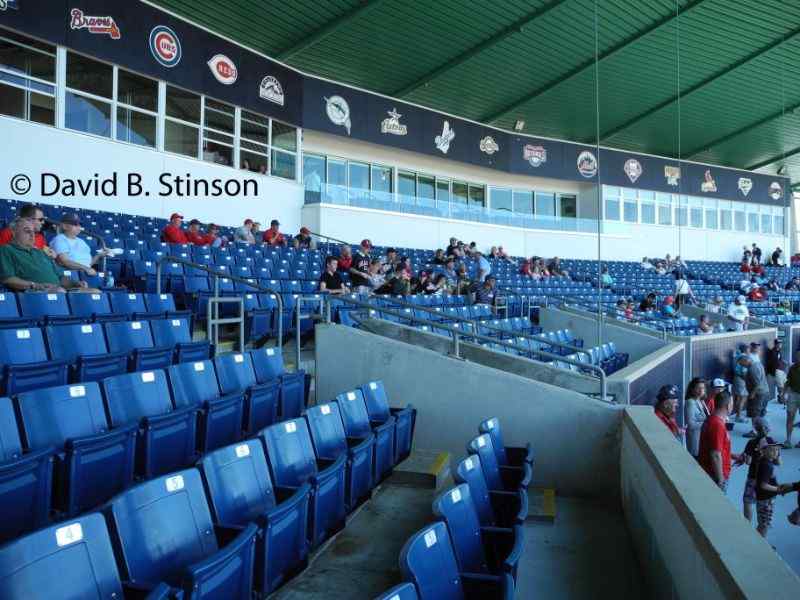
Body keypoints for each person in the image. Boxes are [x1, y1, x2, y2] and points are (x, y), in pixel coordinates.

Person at [0, 218, 96, 292]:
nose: (32, 235)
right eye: (27, 231)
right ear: (13, 232)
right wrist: (36, 285)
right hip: (32, 293)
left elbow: (60, 278)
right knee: (59, 291)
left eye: (33, 231)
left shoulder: (41, 252)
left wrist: (74, 284)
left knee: (95, 292)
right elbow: (8, 279)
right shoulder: (6, 250)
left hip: (60, 290)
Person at [699, 391, 741, 492]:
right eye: (732, 403)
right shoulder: (717, 425)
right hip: (715, 476)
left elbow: (715, 448)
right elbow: (715, 455)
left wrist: (732, 455)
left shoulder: (713, 420)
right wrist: (720, 479)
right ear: (728, 405)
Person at [736, 418, 771, 524]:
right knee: (764, 504)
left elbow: (748, 461)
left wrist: (743, 458)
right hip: (767, 478)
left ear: (755, 428)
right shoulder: (771, 441)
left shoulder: (751, 442)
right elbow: (777, 461)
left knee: (748, 501)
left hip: (753, 477)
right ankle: (763, 525)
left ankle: (748, 524)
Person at [755, 439, 787, 538]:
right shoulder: (767, 466)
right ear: (764, 451)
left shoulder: (765, 461)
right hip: (766, 500)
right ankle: (760, 546)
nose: (775, 452)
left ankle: (756, 540)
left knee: (763, 523)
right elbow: (763, 485)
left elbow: (779, 463)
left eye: (777, 450)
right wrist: (778, 490)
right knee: (764, 525)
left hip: (765, 499)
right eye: (772, 450)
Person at [743, 349, 770, 439]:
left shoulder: (752, 369)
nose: (742, 365)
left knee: (755, 413)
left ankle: (756, 431)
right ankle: (762, 429)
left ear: (747, 360)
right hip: (765, 392)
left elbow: (757, 384)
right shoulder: (758, 364)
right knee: (760, 413)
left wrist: (752, 394)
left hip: (758, 394)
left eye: (742, 363)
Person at [685, 378, 709, 458]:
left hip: (703, 438)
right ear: (692, 389)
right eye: (698, 388)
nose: (701, 390)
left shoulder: (701, 401)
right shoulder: (690, 402)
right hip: (695, 439)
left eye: (703, 388)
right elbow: (690, 424)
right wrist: (706, 424)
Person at [784, 351, 800, 449]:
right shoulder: (792, 368)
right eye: (797, 356)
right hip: (793, 394)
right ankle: (788, 440)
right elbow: (788, 381)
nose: (798, 358)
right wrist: (783, 393)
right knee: (790, 416)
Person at [765, 339, 786, 405]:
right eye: (778, 343)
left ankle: (781, 397)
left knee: (784, 384)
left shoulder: (779, 351)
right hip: (777, 370)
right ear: (775, 344)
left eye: (780, 343)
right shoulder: (773, 352)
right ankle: (781, 398)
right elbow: (773, 363)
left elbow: (779, 360)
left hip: (781, 370)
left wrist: (783, 362)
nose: (780, 344)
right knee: (780, 386)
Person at [732, 345, 749, 423]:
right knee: (742, 398)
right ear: (746, 350)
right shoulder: (744, 358)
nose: (749, 350)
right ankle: (738, 416)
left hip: (737, 378)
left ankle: (738, 415)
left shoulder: (737, 356)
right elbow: (743, 372)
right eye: (748, 349)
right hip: (741, 379)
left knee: (739, 398)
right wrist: (748, 381)